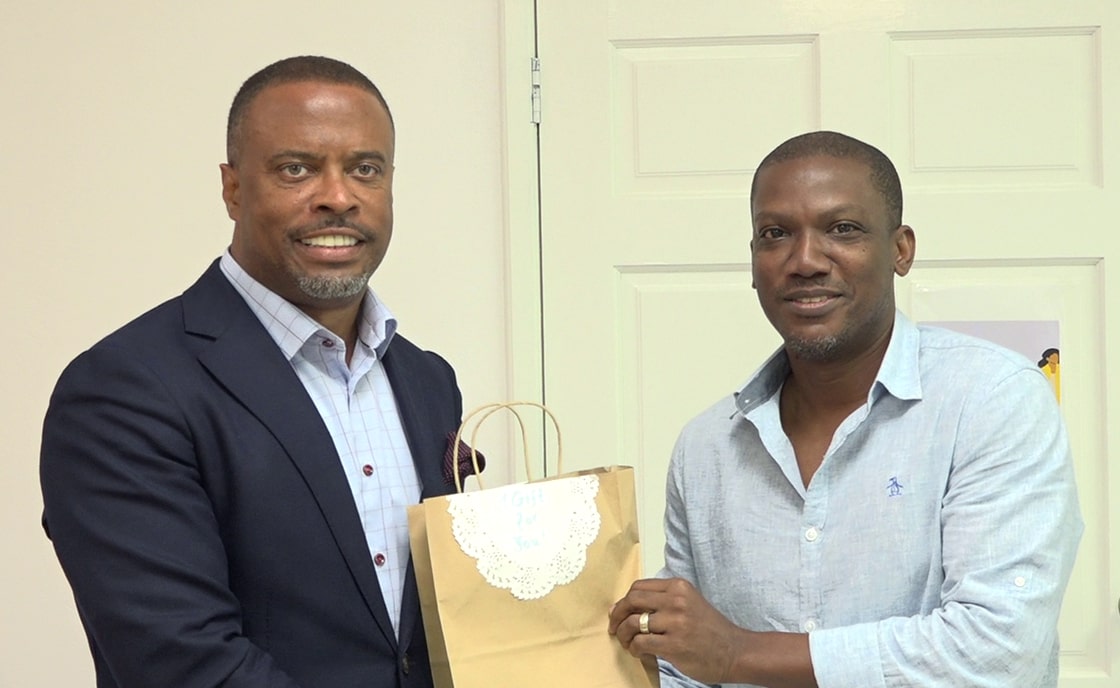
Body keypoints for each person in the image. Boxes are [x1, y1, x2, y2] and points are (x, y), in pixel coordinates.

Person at [40, 56, 477, 688]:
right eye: (297, 169)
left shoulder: (428, 381)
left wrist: (587, 613)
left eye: (365, 169)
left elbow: (441, 631)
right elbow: (183, 661)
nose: (338, 197)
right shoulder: (123, 391)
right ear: (234, 189)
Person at [608, 131, 1083, 687]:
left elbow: (998, 651)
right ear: (754, 260)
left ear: (901, 250)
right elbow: (690, 665)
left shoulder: (991, 399)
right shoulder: (706, 447)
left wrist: (739, 652)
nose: (805, 260)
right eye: (775, 234)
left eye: (843, 229)